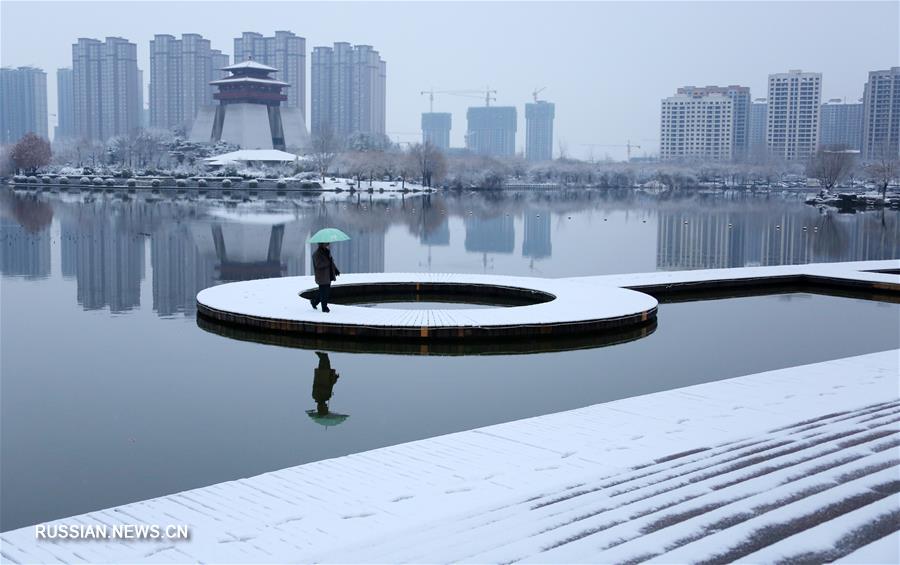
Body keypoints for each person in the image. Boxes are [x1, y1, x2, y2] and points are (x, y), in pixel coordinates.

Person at [311, 242, 340, 312]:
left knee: (324, 292)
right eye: (326, 243)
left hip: (328, 275)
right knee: (324, 292)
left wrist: (336, 270)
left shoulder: (327, 251)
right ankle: (324, 307)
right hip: (322, 276)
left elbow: (331, 262)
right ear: (321, 244)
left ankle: (314, 302)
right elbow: (318, 265)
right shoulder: (316, 254)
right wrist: (327, 262)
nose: (328, 244)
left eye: (327, 243)